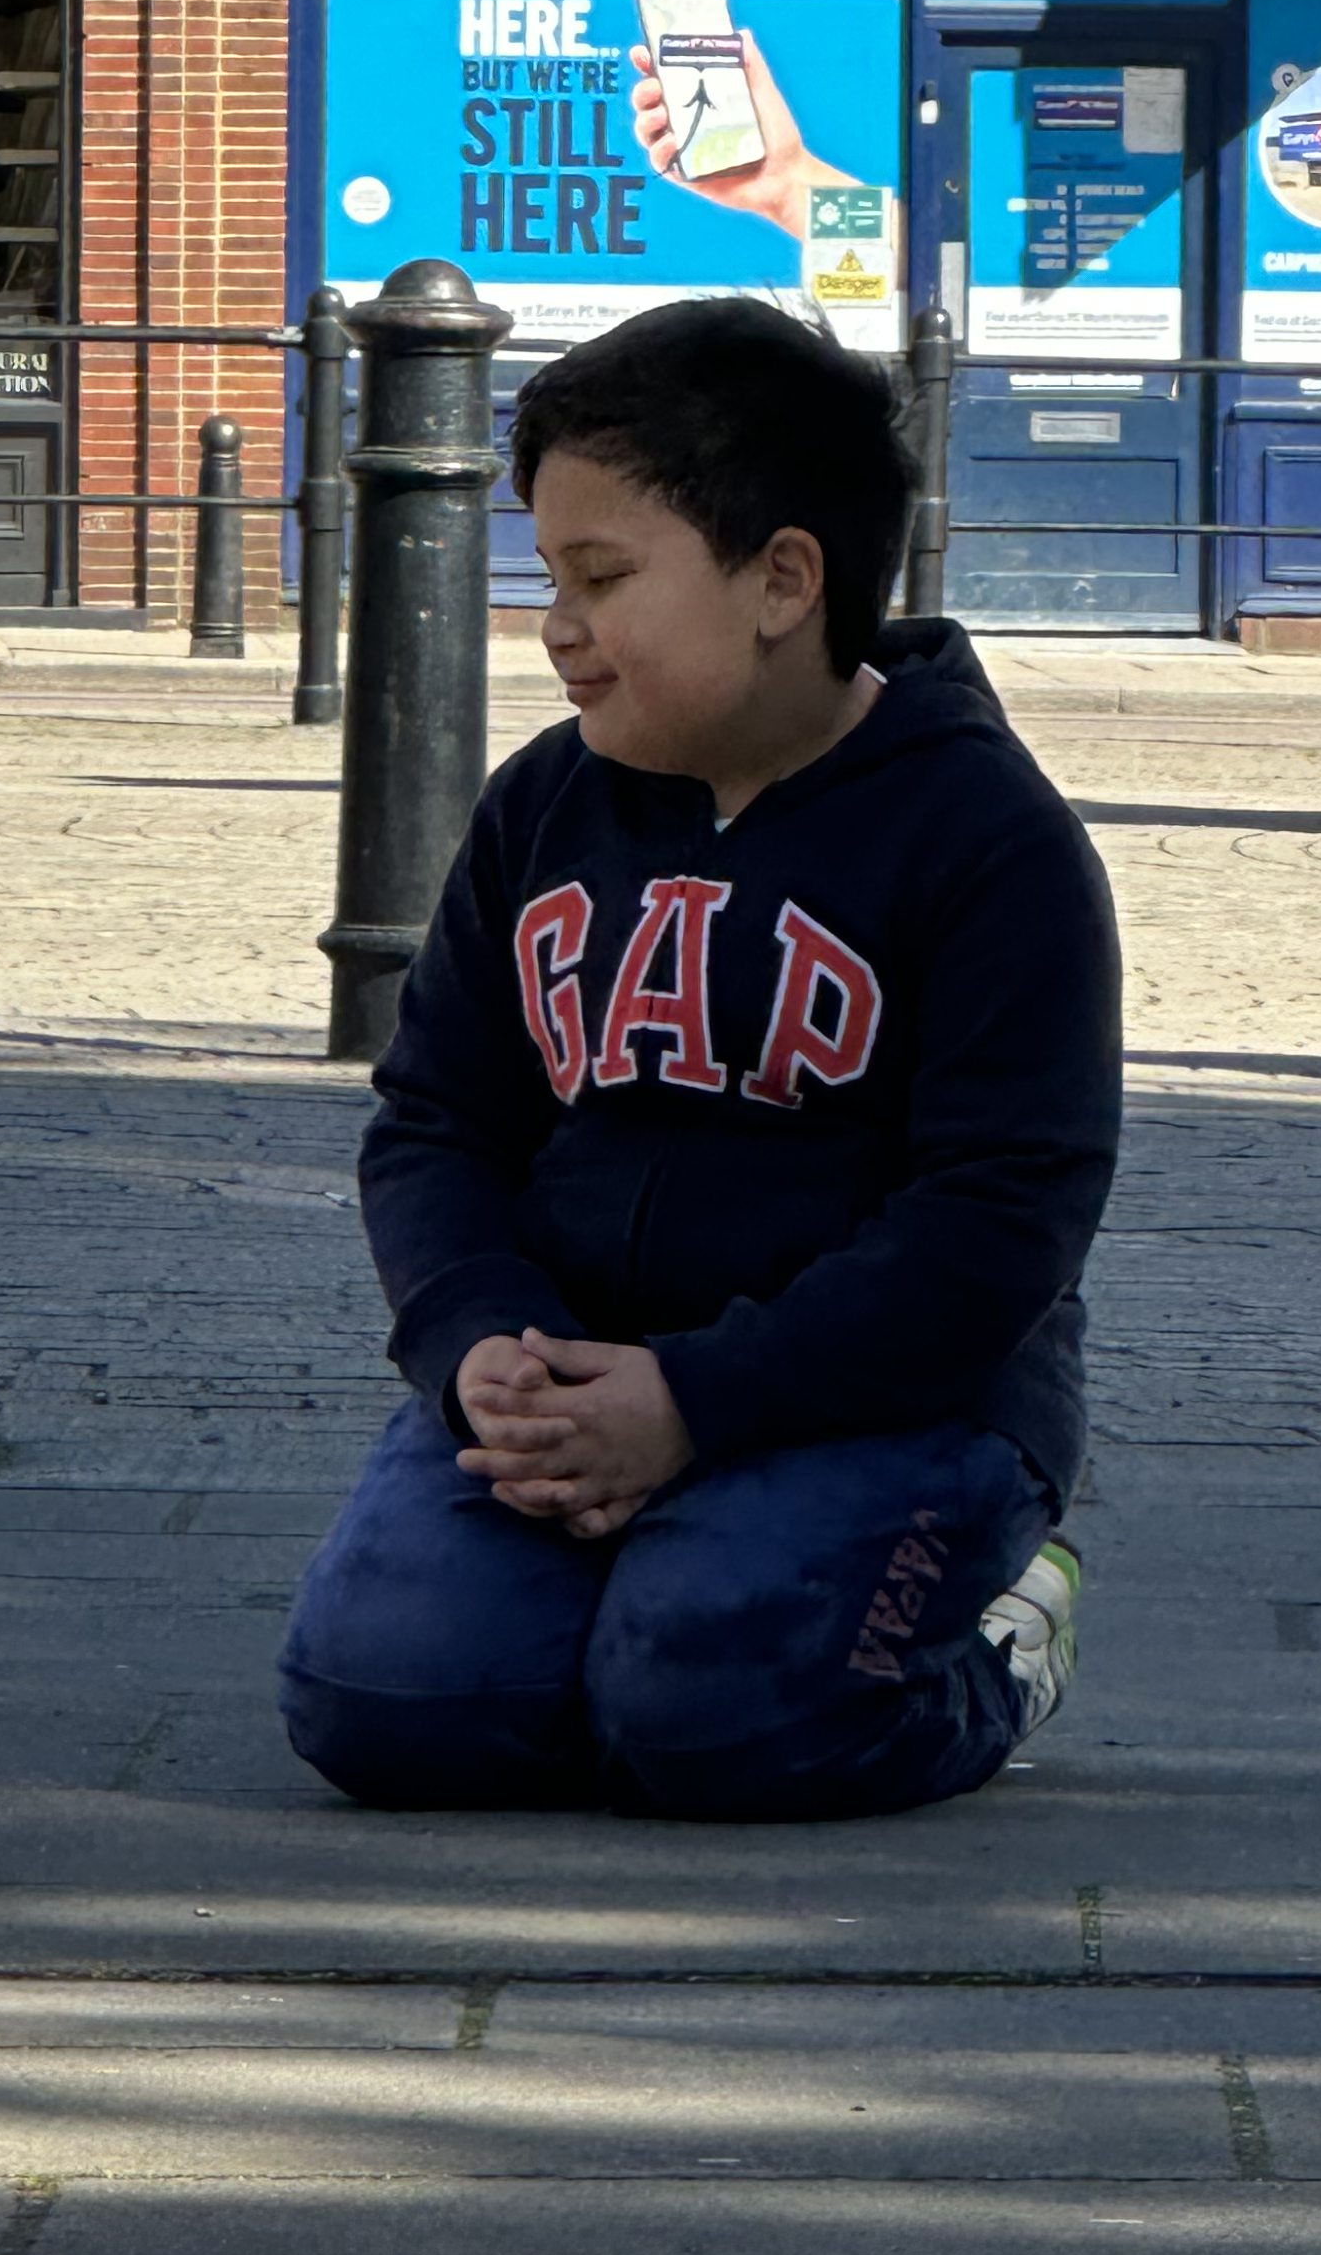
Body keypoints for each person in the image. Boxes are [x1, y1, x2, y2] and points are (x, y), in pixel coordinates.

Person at [278, 295, 1122, 1824]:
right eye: (548, 576)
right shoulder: (542, 808)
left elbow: (1001, 1220)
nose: (558, 627)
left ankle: (997, 1642)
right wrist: (480, 1346)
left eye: (603, 578)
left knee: (719, 1720)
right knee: (384, 1700)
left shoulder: (987, 840)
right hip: (567, 1376)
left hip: (887, 1403)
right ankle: (634, 1638)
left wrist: (700, 1401)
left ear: (783, 579)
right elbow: (438, 1122)